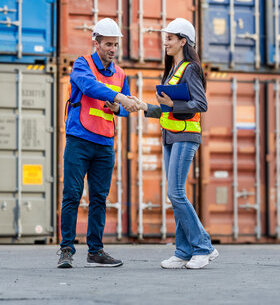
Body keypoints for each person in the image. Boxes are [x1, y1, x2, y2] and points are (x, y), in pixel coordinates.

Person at [131, 18, 218, 269]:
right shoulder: (173, 69)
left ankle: (203, 247)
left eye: (169, 38)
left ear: (183, 41)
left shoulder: (191, 68)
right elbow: (168, 110)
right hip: (170, 135)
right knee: (175, 196)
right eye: (165, 38)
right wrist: (145, 106)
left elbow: (201, 105)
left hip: (186, 136)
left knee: (175, 193)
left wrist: (172, 104)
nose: (165, 42)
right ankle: (182, 251)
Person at [58, 18, 138, 268]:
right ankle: (66, 250)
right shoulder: (82, 64)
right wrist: (117, 97)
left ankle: (96, 251)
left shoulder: (121, 73)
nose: (112, 49)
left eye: (115, 45)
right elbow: (89, 87)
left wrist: (119, 107)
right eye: (107, 44)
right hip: (79, 139)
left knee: (99, 199)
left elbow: (123, 109)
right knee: (72, 195)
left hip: (104, 143)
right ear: (96, 42)